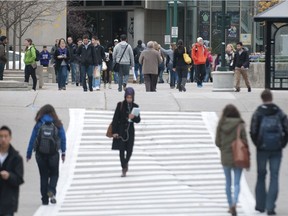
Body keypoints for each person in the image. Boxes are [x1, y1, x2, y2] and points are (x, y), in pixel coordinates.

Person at [250, 89, 288, 215]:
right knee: (274, 176)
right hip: (276, 148)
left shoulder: (258, 112)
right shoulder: (279, 112)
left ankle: (260, 206)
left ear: (262, 98)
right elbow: (286, 129)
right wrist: (282, 143)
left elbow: (253, 130)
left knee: (261, 176)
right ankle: (270, 207)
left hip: (262, 149)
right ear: (271, 97)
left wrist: (258, 144)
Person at [26, 104, 66, 205]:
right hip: (53, 154)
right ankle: (51, 190)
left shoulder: (39, 123)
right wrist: (63, 152)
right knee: (54, 174)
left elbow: (32, 139)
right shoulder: (57, 123)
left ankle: (44, 199)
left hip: (40, 154)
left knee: (43, 176)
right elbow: (63, 138)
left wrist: (29, 153)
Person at [215, 105, 248, 216]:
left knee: (228, 182)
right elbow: (245, 142)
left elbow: (217, 142)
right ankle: (234, 203)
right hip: (238, 156)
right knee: (237, 182)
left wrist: (224, 149)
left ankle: (230, 205)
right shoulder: (240, 124)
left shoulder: (221, 124)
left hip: (226, 157)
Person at [112, 87, 141, 177]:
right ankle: (123, 167)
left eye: (130, 97)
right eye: (127, 97)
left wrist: (134, 117)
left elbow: (138, 120)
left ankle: (126, 162)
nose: (129, 99)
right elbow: (115, 119)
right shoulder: (120, 105)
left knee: (129, 149)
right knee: (121, 150)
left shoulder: (135, 106)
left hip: (130, 130)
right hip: (121, 130)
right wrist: (114, 131)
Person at [0, 126, 24, 216]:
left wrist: (9, 176)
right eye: (1, 136)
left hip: (8, 203)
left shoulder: (16, 158)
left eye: (5, 136)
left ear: (10, 138)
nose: (3, 139)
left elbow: (19, 179)